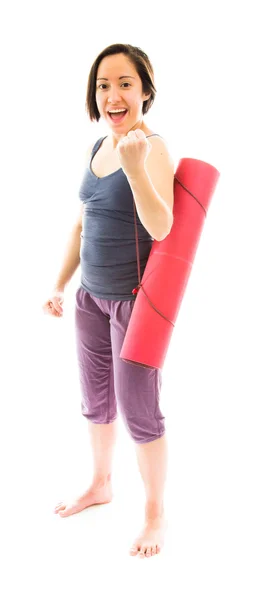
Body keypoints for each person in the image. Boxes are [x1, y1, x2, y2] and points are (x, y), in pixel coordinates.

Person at [42, 43, 174, 559]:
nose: (113, 95)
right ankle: (100, 485)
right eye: (103, 85)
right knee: (95, 402)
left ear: (145, 90)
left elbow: (162, 226)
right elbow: (83, 222)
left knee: (141, 410)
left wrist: (137, 168)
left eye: (125, 84)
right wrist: (58, 283)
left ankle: (156, 514)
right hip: (89, 299)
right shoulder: (98, 145)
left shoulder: (152, 148)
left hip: (133, 304)